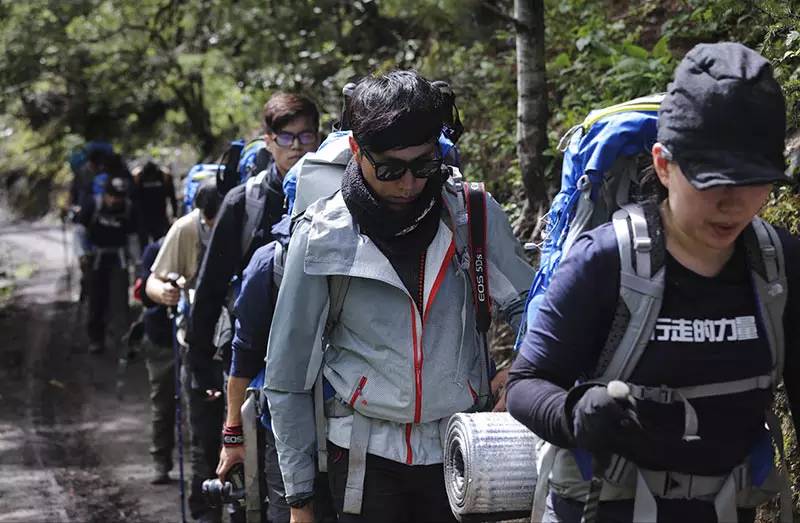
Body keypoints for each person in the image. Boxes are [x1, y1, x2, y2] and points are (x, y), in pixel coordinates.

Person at [506, 42, 800, 523]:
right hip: (605, 509)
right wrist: (576, 411)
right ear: (664, 165)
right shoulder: (603, 261)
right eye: (710, 181)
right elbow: (526, 383)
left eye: (753, 181)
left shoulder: (780, 265)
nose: (732, 203)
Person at [263, 70, 533, 523]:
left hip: (463, 445)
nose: (409, 184)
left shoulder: (473, 216)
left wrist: (523, 368)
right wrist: (300, 499)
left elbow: (533, 306)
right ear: (356, 151)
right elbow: (287, 375)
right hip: (364, 459)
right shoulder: (322, 235)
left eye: (424, 165)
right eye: (390, 169)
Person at [187, 93, 320, 405]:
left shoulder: (339, 195)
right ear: (269, 142)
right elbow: (211, 286)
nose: (296, 146)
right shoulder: (243, 202)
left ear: (318, 137)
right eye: (286, 137)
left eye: (305, 135)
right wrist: (201, 364)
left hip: (318, 354)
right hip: (252, 355)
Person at [147, 179, 222, 522]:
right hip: (194, 347)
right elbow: (153, 280)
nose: (212, 226)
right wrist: (165, 292)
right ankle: (204, 509)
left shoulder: (245, 218)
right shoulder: (184, 229)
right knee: (203, 434)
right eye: (208, 220)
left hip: (234, 344)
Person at [72, 174, 138, 354]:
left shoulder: (128, 208)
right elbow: (79, 231)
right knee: (96, 298)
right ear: (106, 194)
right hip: (96, 258)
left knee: (120, 301)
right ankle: (96, 339)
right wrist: (82, 254)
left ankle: (124, 340)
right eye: (113, 196)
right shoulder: (92, 204)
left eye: (119, 196)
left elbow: (132, 237)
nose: (116, 200)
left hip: (119, 258)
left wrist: (137, 262)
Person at [134, 160, 178, 249]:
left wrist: (175, 214)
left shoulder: (164, 176)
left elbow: (172, 197)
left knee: (160, 244)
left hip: (159, 216)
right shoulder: (138, 176)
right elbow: (133, 197)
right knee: (145, 244)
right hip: (144, 216)